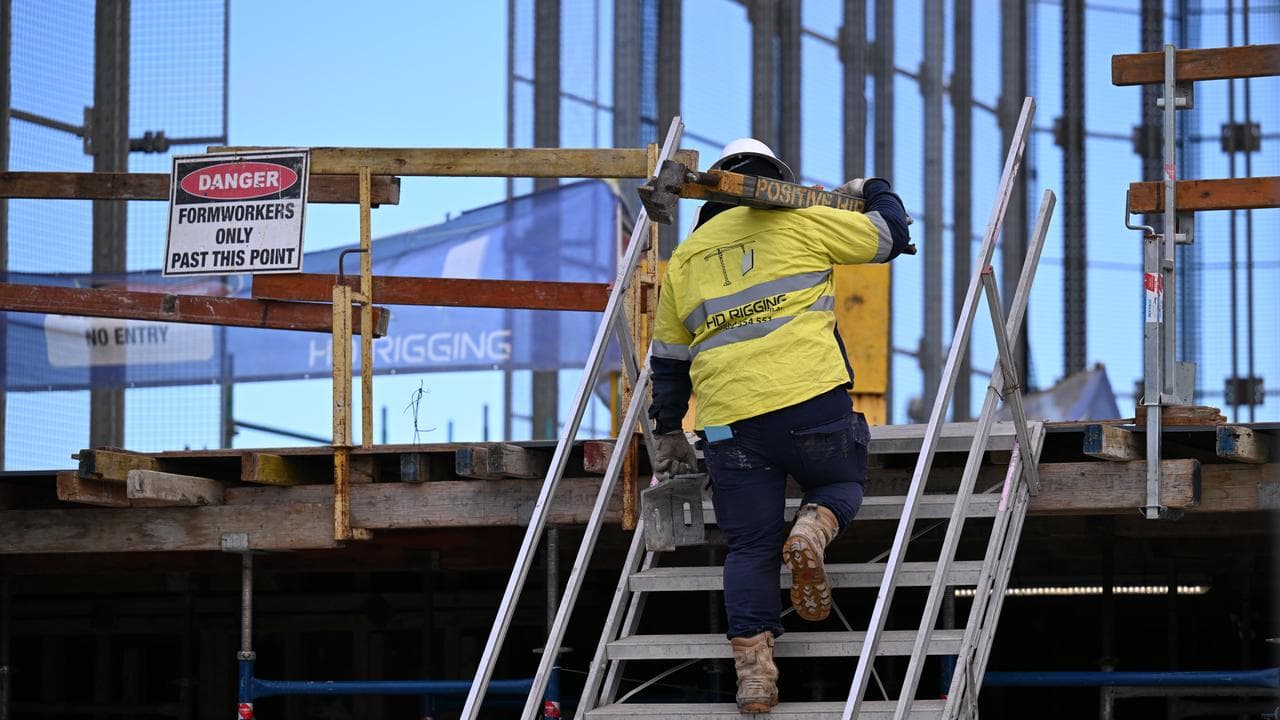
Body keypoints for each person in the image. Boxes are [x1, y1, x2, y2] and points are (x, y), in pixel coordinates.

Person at [647, 138, 912, 713]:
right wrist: (872, 189)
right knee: (841, 484)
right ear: (776, 181)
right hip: (810, 400)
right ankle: (813, 530)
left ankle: (756, 677)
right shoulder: (801, 221)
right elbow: (891, 237)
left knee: (748, 547)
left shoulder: (685, 261)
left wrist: (667, 429)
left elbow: (667, 361)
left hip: (727, 426)